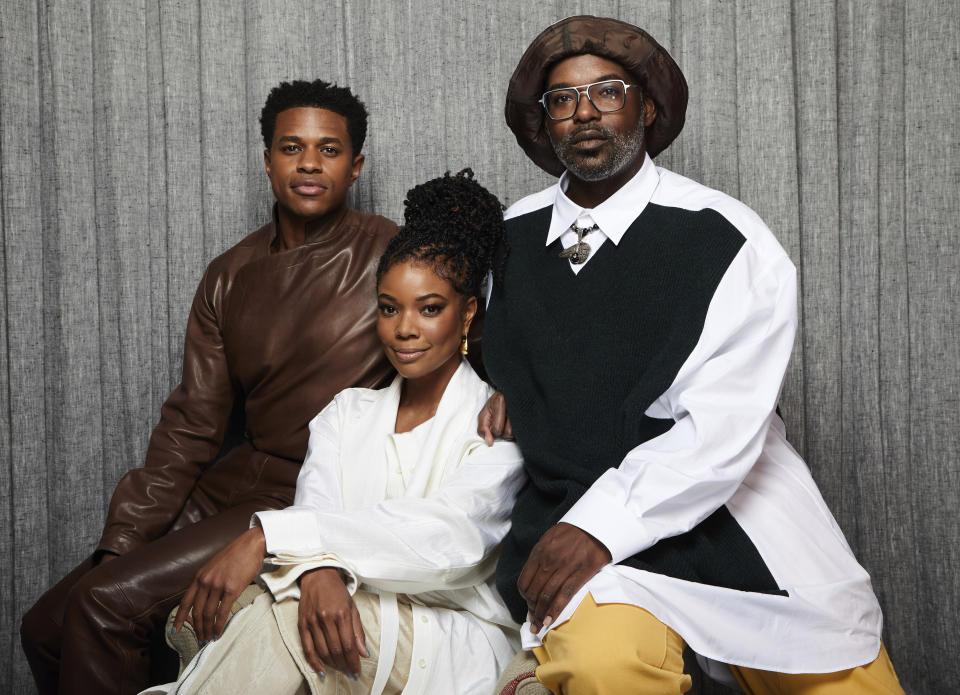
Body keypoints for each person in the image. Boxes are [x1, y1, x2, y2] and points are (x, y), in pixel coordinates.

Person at [480, 15, 905, 695]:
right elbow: (479, 341)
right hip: (574, 520)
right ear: (543, 122)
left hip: (728, 513)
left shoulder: (727, 237)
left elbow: (723, 422)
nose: (585, 112)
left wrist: (601, 523)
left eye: (608, 92)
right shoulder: (507, 238)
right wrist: (499, 386)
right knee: (603, 667)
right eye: (562, 99)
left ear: (647, 107)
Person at [20, 79, 398, 695]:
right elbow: (193, 422)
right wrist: (124, 541)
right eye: (291, 147)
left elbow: (467, 343)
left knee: (104, 606)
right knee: (45, 625)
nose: (308, 163)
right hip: (231, 478)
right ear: (267, 159)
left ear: (355, 167)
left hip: (309, 486)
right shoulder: (228, 273)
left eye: (329, 150)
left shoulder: (391, 253)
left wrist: (508, 401)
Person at [143, 170, 524, 695]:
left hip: (447, 634)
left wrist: (270, 537)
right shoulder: (346, 412)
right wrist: (318, 571)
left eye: (429, 309)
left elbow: (450, 541)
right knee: (290, 618)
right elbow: (315, 510)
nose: (404, 329)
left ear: (467, 314)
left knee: (278, 620)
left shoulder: (497, 421)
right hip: (334, 605)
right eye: (389, 308)